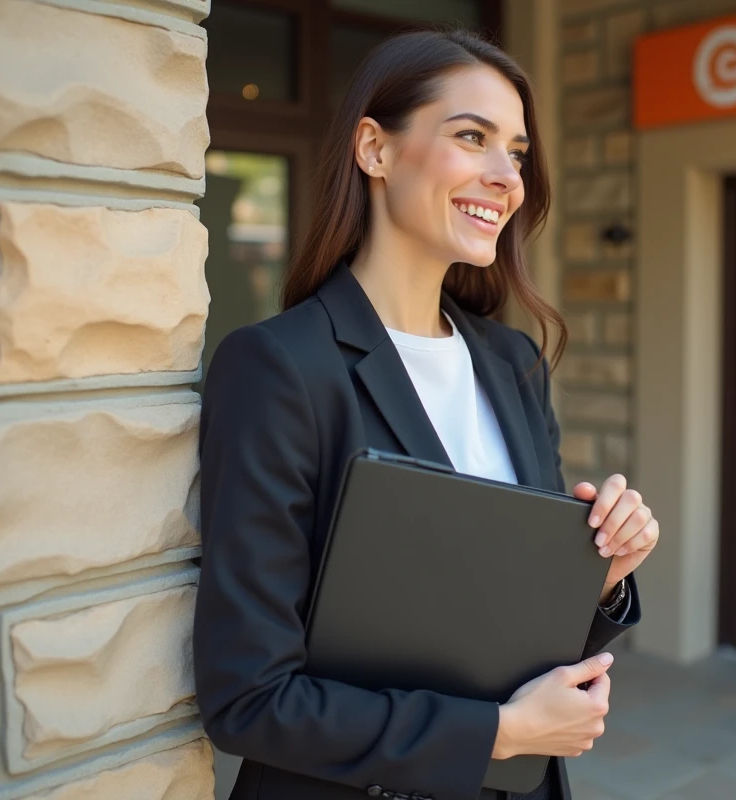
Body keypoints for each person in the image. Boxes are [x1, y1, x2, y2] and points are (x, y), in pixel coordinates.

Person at [193, 28, 661, 800]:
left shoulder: (512, 364)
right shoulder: (278, 368)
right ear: (374, 150)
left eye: (515, 152)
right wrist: (501, 734)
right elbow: (249, 700)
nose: (504, 176)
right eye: (471, 137)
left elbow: (513, 635)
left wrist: (600, 577)